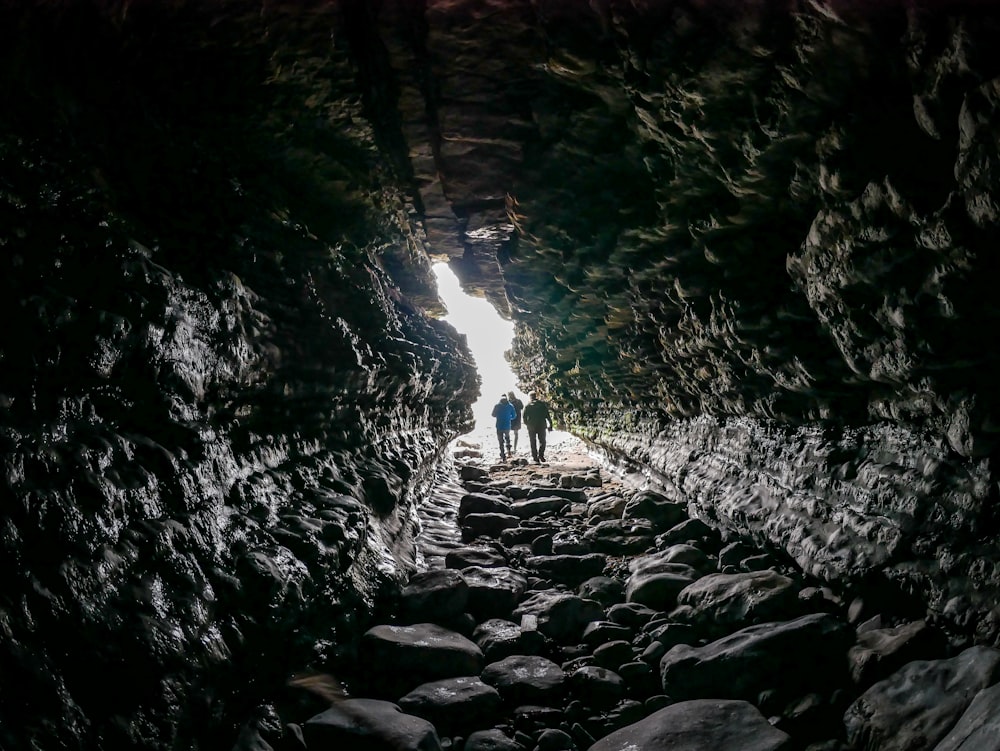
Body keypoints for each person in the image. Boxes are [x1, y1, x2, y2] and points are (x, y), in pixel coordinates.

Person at [521, 392, 553, 464]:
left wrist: (527, 424)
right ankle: (541, 455)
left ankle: (535, 457)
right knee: (542, 441)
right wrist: (550, 425)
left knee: (533, 442)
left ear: (530, 397)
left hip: (531, 426)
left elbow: (524, 417)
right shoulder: (542, 405)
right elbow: (547, 415)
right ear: (536, 396)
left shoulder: (528, 406)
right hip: (541, 425)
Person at [491, 394, 517, 461]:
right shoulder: (510, 406)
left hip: (499, 425)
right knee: (507, 439)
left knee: (500, 441)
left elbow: (493, 415)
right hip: (507, 425)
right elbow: (514, 415)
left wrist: (498, 415)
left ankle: (503, 455)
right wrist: (509, 418)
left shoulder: (497, 406)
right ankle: (509, 452)